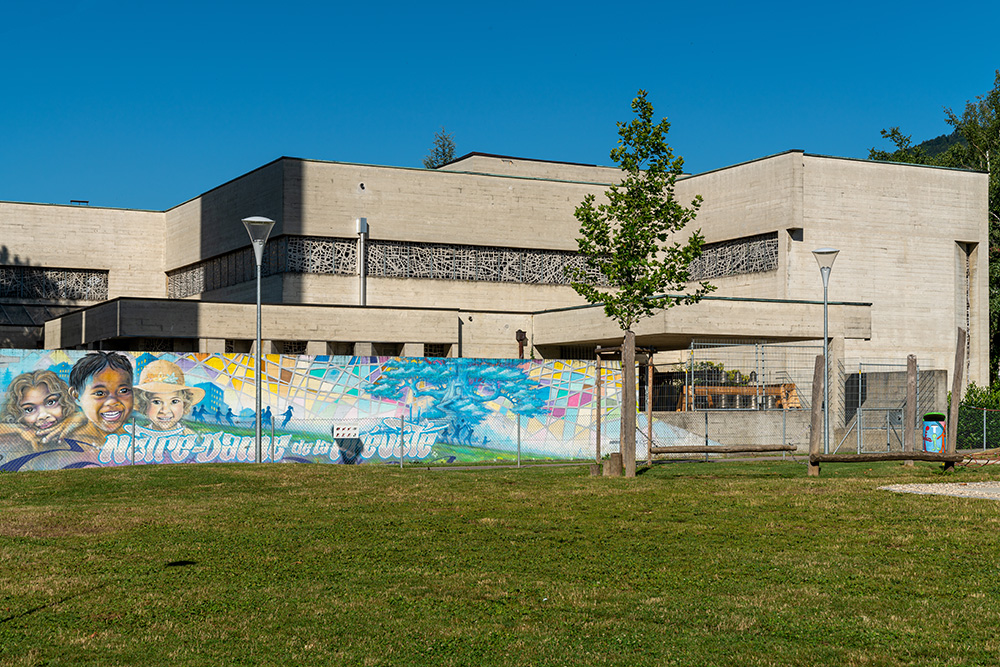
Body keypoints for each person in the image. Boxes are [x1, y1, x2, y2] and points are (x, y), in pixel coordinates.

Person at [0, 370, 86, 450]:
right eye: (29, 409)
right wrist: (19, 429)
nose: (43, 416)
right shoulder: (18, 440)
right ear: (16, 413)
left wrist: (81, 416)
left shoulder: (79, 427)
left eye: (51, 402)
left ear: (65, 402)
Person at [65, 351, 134, 450]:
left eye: (123, 391)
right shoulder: (70, 444)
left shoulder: (141, 438)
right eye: (100, 393)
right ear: (76, 396)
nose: (112, 401)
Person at [133, 360, 205, 435]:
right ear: (144, 404)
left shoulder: (191, 436)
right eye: (157, 402)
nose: (165, 411)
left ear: (184, 404)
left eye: (174, 401)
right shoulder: (138, 435)